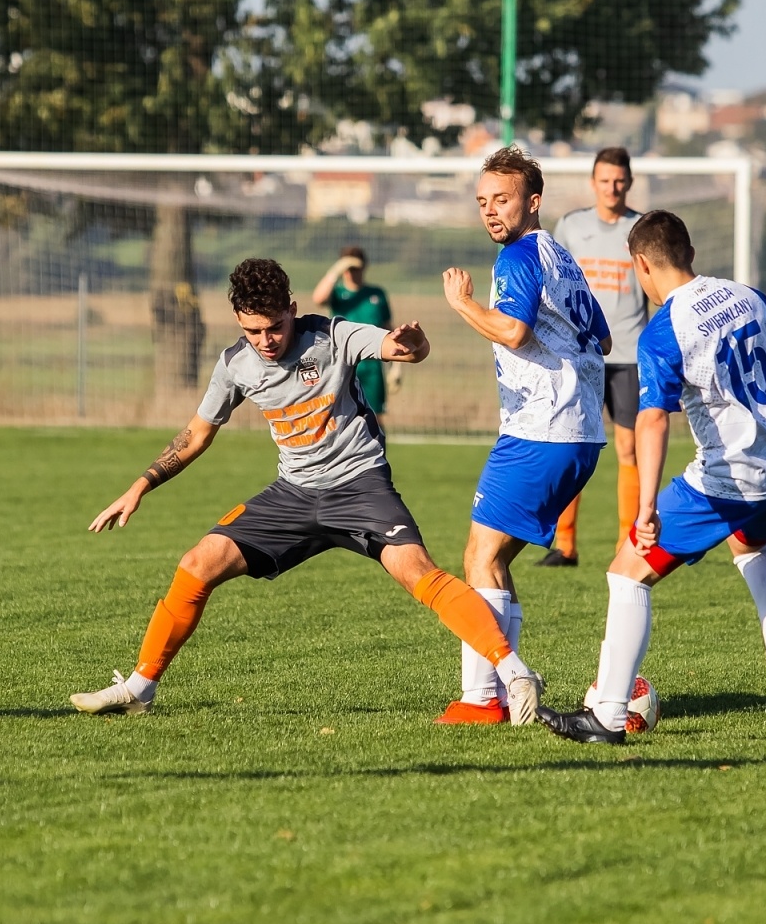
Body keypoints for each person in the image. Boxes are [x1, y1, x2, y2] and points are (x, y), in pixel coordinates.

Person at [72, 258, 546, 723]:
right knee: (198, 563)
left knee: (417, 571)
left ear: (293, 309)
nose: (265, 341)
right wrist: (140, 486)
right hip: (292, 495)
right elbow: (195, 436)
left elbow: (402, 349)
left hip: (360, 486)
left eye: (274, 328)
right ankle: (139, 688)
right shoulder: (236, 364)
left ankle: (515, 673)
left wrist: (413, 345)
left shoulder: (333, 335)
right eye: (252, 331)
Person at [539, 211, 766, 744]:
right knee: (752, 545)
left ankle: (608, 715)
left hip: (731, 478)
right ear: (689, 251)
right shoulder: (744, 294)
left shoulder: (664, 330)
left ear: (641, 265)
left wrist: (645, 506)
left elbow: (651, 419)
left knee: (627, 571)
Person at [432, 146, 611, 725]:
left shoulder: (517, 257)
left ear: (532, 202)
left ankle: (485, 697)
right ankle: (504, 692)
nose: (490, 212)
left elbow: (511, 330)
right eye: (482, 201)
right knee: (497, 558)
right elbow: (602, 339)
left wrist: (461, 304)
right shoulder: (561, 256)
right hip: (580, 433)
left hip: (542, 428)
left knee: (478, 557)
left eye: (501, 200)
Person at [537, 147, 650, 566]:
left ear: (629, 182)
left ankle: (629, 542)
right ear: (593, 182)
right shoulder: (571, 226)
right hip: (581, 356)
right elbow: (554, 280)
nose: (612, 188)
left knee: (628, 448)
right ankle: (565, 545)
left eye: (619, 180)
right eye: (605, 180)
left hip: (630, 355)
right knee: (573, 444)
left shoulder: (641, 228)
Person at [311, 246, 394, 428]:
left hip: (371, 364)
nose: (351, 274)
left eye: (355, 268)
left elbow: (388, 328)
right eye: (348, 269)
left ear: (364, 267)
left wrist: (396, 367)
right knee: (337, 416)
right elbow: (318, 298)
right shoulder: (338, 293)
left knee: (374, 417)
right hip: (342, 363)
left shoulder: (376, 294)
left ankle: (377, 454)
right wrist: (335, 270)